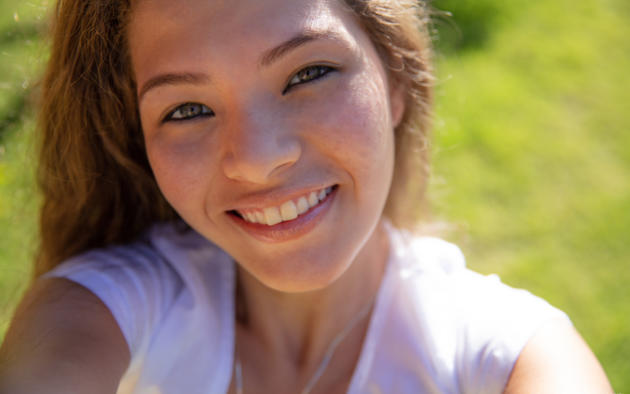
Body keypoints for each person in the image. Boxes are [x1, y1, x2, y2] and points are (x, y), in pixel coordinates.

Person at [0, 0, 613, 393]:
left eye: (308, 73)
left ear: (395, 81)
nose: (259, 159)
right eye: (187, 109)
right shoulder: (105, 306)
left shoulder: (511, 355)